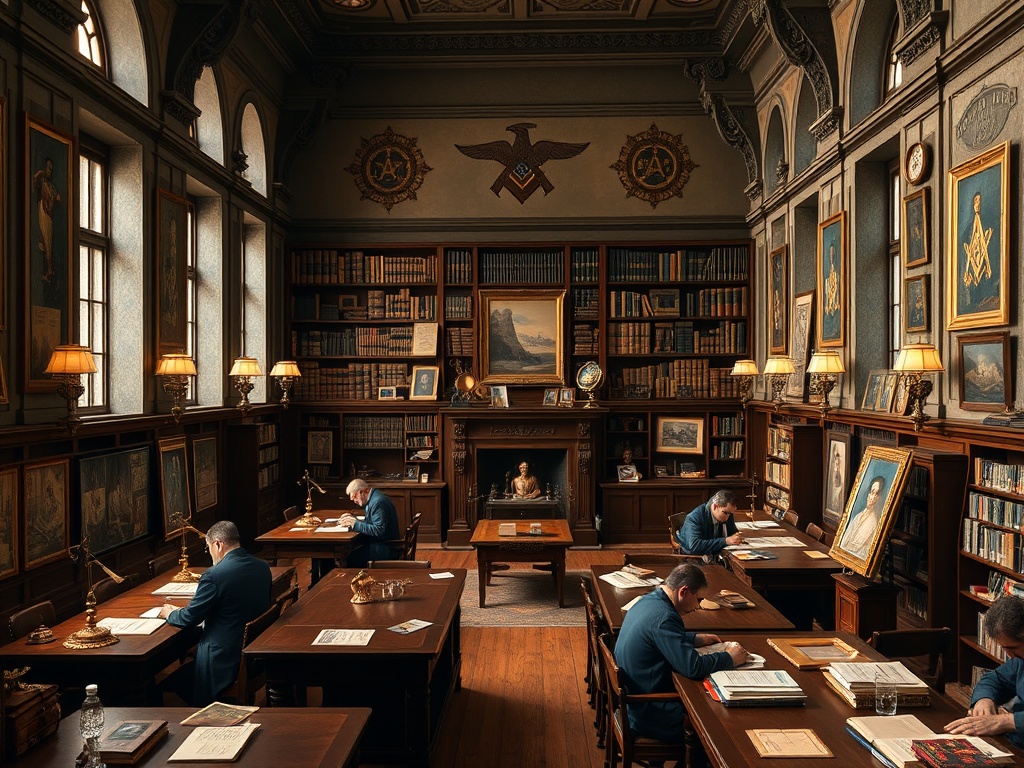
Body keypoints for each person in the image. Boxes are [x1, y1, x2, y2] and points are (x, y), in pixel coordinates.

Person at [614, 563, 748, 742]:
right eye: (699, 599)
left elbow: (658, 636)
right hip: (650, 712)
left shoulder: (649, 600)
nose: (699, 607)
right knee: (716, 727)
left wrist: (693, 639)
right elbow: (692, 667)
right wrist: (730, 657)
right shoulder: (666, 617)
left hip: (634, 701)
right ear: (683, 591)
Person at [158, 520, 271, 705]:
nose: (210, 553)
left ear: (218, 544)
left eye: (208, 547)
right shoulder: (262, 567)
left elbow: (189, 617)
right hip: (252, 656)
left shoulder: (214, 575)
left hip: (222, 663)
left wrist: (170, 613)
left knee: (168, 681)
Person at [945, 595, 1024, 748]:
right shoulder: (1020, 661)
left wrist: (1007, 721)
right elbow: (994, 679)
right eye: (1003, 648)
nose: (1008, 655)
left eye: (1012, 648)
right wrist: (984, 700)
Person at [339, 478, 400, 567]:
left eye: (354, 497)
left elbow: (378, 530)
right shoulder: (374, 498)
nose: (354, 501)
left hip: (384, 549)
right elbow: (372, 523)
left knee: (348, 558)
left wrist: (355, 524)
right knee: (349, 553)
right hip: (380, 545)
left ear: (362, 492)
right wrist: (352, 519)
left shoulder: (378, 502)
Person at [676, 489, 743, 556]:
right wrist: (725, 541)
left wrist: (736, 537)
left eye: (730, 514)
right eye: (726, 513)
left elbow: (732, 533)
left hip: (715, 554)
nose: (727, 517)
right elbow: (695, 546)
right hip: (694, 558)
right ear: (715, 506)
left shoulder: (727, 513)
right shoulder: (694, 518)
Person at [838, 475, 885, 560]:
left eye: (877, 494)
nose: (873, 497)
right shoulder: (858, 515)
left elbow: (854, 547)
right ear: (868, 494)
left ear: (879, 498)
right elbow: (845, 540)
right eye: (872, 492)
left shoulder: (873, 521)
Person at [33, 157, 61, 283]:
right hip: (43, 211)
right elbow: (36, 180)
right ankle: (48, 270)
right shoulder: (42, 182)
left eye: (51, 168)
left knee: (48, 242)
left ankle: (49, 270)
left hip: (48, 214)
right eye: (48, 167)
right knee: (45, 240)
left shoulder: (50, 186)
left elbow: (57, 198)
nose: (50, 170)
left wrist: (56, 197)